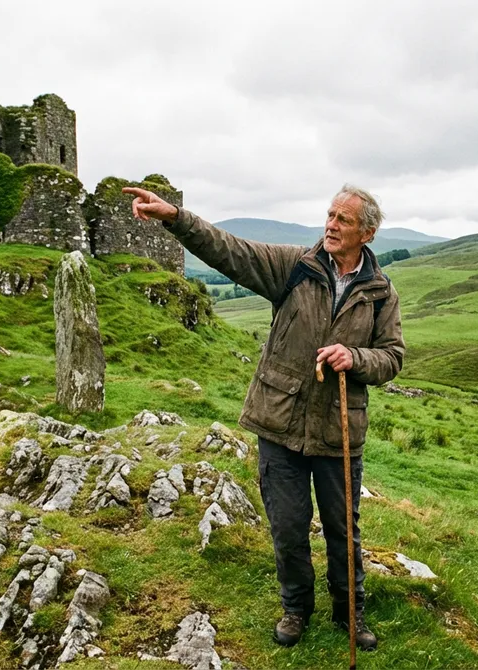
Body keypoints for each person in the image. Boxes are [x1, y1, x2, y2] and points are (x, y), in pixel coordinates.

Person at [123, 184, 405, 651]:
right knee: (289, 526)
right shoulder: (294, 267)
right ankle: (296, 609)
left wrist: (354, 357)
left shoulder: (380, 292)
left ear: (367, 233)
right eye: (330, 215)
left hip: (339, 432)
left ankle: (348, 612)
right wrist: (175, 216)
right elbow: (228, 250)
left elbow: (392, 357)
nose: (331, 225)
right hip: (279, 423)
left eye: (344, 220)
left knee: (343, 529)